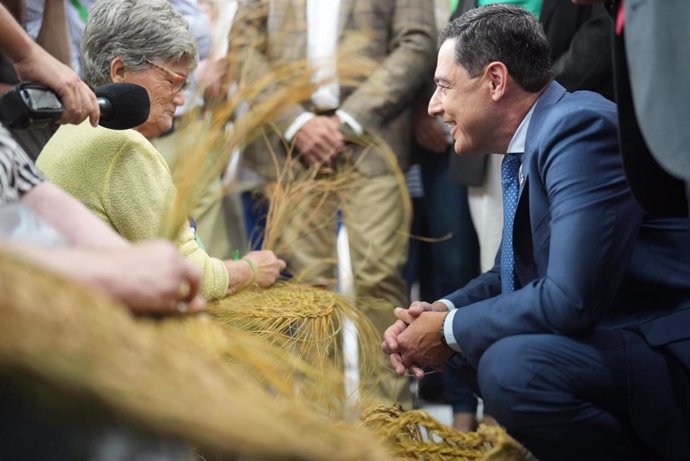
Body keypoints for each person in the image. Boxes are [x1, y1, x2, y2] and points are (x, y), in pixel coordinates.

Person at [382, 5, 690, 460]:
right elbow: (506, 273)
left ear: (495, 80)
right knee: (476, 341)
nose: (433, 106)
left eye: (444, 86)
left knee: (512, 368)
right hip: (616, 338)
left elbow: (569, 299)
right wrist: (441, 311)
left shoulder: (577, 129)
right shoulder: (539, 137)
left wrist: (445, 330)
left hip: (661, 352)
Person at [228, 0, 436, 405]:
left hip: (373, 138)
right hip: (291, 145)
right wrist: (296, 122)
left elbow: (416, 41)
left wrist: (350, 120)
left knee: (379, 275)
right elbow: (243, 46)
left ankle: (388, 418)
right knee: (309, 284)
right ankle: (321, 415)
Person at [36, 0, 285, 301]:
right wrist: (250, 269)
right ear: (120, 71)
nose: (181, 100)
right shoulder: (124, 148)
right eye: (174, 82)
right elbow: (187, 276)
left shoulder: (74, 129)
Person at [451, 0, 615, 272]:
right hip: (487, 146)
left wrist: (531, 93)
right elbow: (457, 41)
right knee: (501, 261)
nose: (435, 107)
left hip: (561, 123)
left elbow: (601, 30)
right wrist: (448, 312)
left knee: (560, 263)